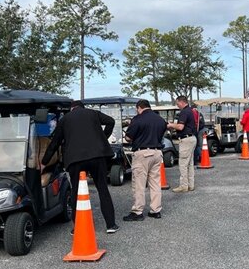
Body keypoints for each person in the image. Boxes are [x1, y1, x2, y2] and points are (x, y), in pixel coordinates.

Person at [41, 100, 119, 234]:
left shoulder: (65, 119)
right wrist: (103, 137)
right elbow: (111, 121)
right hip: (97, 156)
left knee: (76, 191)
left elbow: (55, 143)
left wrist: (44, 162)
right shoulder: (93, 113)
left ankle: (77, 227)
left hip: (75, 159)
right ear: (83, 107)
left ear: (72, 109)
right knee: (102, 189)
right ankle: (110, 224)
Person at [122, 99, 168, 221]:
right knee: (155, 183)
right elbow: (162, 133)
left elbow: (128, 138)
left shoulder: (137, 119)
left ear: (139, 108)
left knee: (139, 184)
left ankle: (137, 211)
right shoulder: (160, 119)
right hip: (157, 152)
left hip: (142, 153)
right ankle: (155, 210)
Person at [167, 95, 196, 193]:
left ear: (182, 102)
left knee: (183, 164)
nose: (177, 105)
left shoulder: (184, 112)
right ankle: (190, 185)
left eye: (177, 103)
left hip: (186, 139)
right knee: (190, 164)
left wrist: (170, 125)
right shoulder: (190, 111)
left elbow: (180, 127)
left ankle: (183, 186)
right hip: (192, 138)